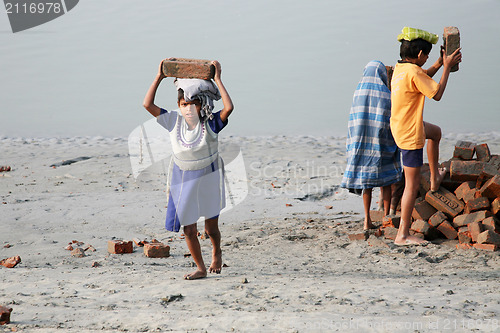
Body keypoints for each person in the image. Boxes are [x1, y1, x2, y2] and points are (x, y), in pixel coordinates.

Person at [143, 60, 234, 279]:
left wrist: (218, 79)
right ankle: (201, 268)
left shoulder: (210, 124)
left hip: (208, 177)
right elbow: (147, 105)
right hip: (182, 178)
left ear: (202, 105)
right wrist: (159, 77)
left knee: (211, 229)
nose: (188, 109)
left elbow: (229, 108)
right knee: (189, 229)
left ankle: (217, 251)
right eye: (184, 104)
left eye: (193, 104)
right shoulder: (173, 122)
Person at [390, 27, 462, 245]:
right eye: (428, 56)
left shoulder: (401, 69)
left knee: (436, 133)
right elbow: (437, 94)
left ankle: (433, 179)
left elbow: (422, 77)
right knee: (411, 186)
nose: (428, 58)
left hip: (402, 125)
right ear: (420, 55)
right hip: (410, 133)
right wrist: (447, 68)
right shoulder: (412, 72)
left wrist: (439, 63)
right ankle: (402, 235)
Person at [341, 60, 402, 230]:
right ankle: (385, 219)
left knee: (367, 185)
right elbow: (390, 118)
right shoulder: (386, 93)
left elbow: (353, 120)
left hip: (362, 145)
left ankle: (367, 220)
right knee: (386, 182)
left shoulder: (358, 92)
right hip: (382, 144)